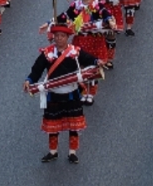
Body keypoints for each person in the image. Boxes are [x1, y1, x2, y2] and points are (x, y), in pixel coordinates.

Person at [24, 21, 99, 163]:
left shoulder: (75, 52)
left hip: (72, 93)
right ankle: (53, 152)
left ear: (67, 37)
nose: (59, 38)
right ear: (54, 37)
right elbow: (37, 69)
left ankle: (72, 152)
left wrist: (97, 62)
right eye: (57, 36)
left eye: (62, 36)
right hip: (54, 93)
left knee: (74, 125)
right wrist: (29, 80)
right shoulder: (47, 54)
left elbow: (89, 59)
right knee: (53, 125)